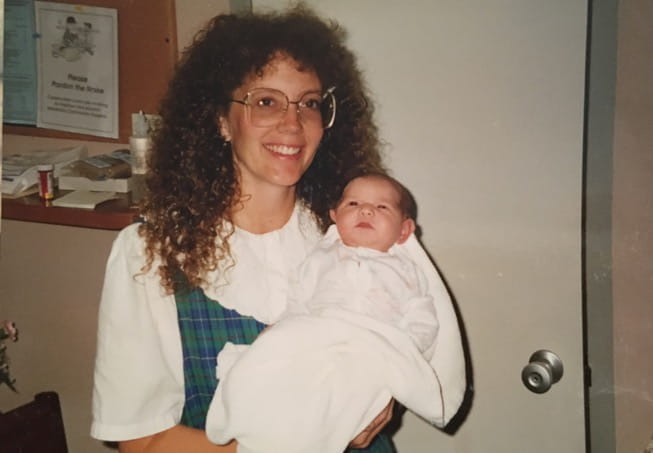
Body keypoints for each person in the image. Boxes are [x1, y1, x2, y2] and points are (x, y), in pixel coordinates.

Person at [91, 5, 397, 453]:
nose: (292, 124)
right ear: (221, 119)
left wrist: (379, 399)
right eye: (266, 101)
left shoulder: (352, 233)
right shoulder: (151, 254)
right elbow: (142, 441)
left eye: (309, 103)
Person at [204, 174, 444, 453]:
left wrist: (403, 350)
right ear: (335, 216)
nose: (366, 211)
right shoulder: (320, 257)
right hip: (317, 334)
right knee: (273, 356)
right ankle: (247, 408)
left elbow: (421, 316)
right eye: (353, 204)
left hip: (371, 347)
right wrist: (279, 330)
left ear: (404, 230)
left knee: (347, 394)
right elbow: (299, 299)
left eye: (382, 207)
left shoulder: (406, 270)